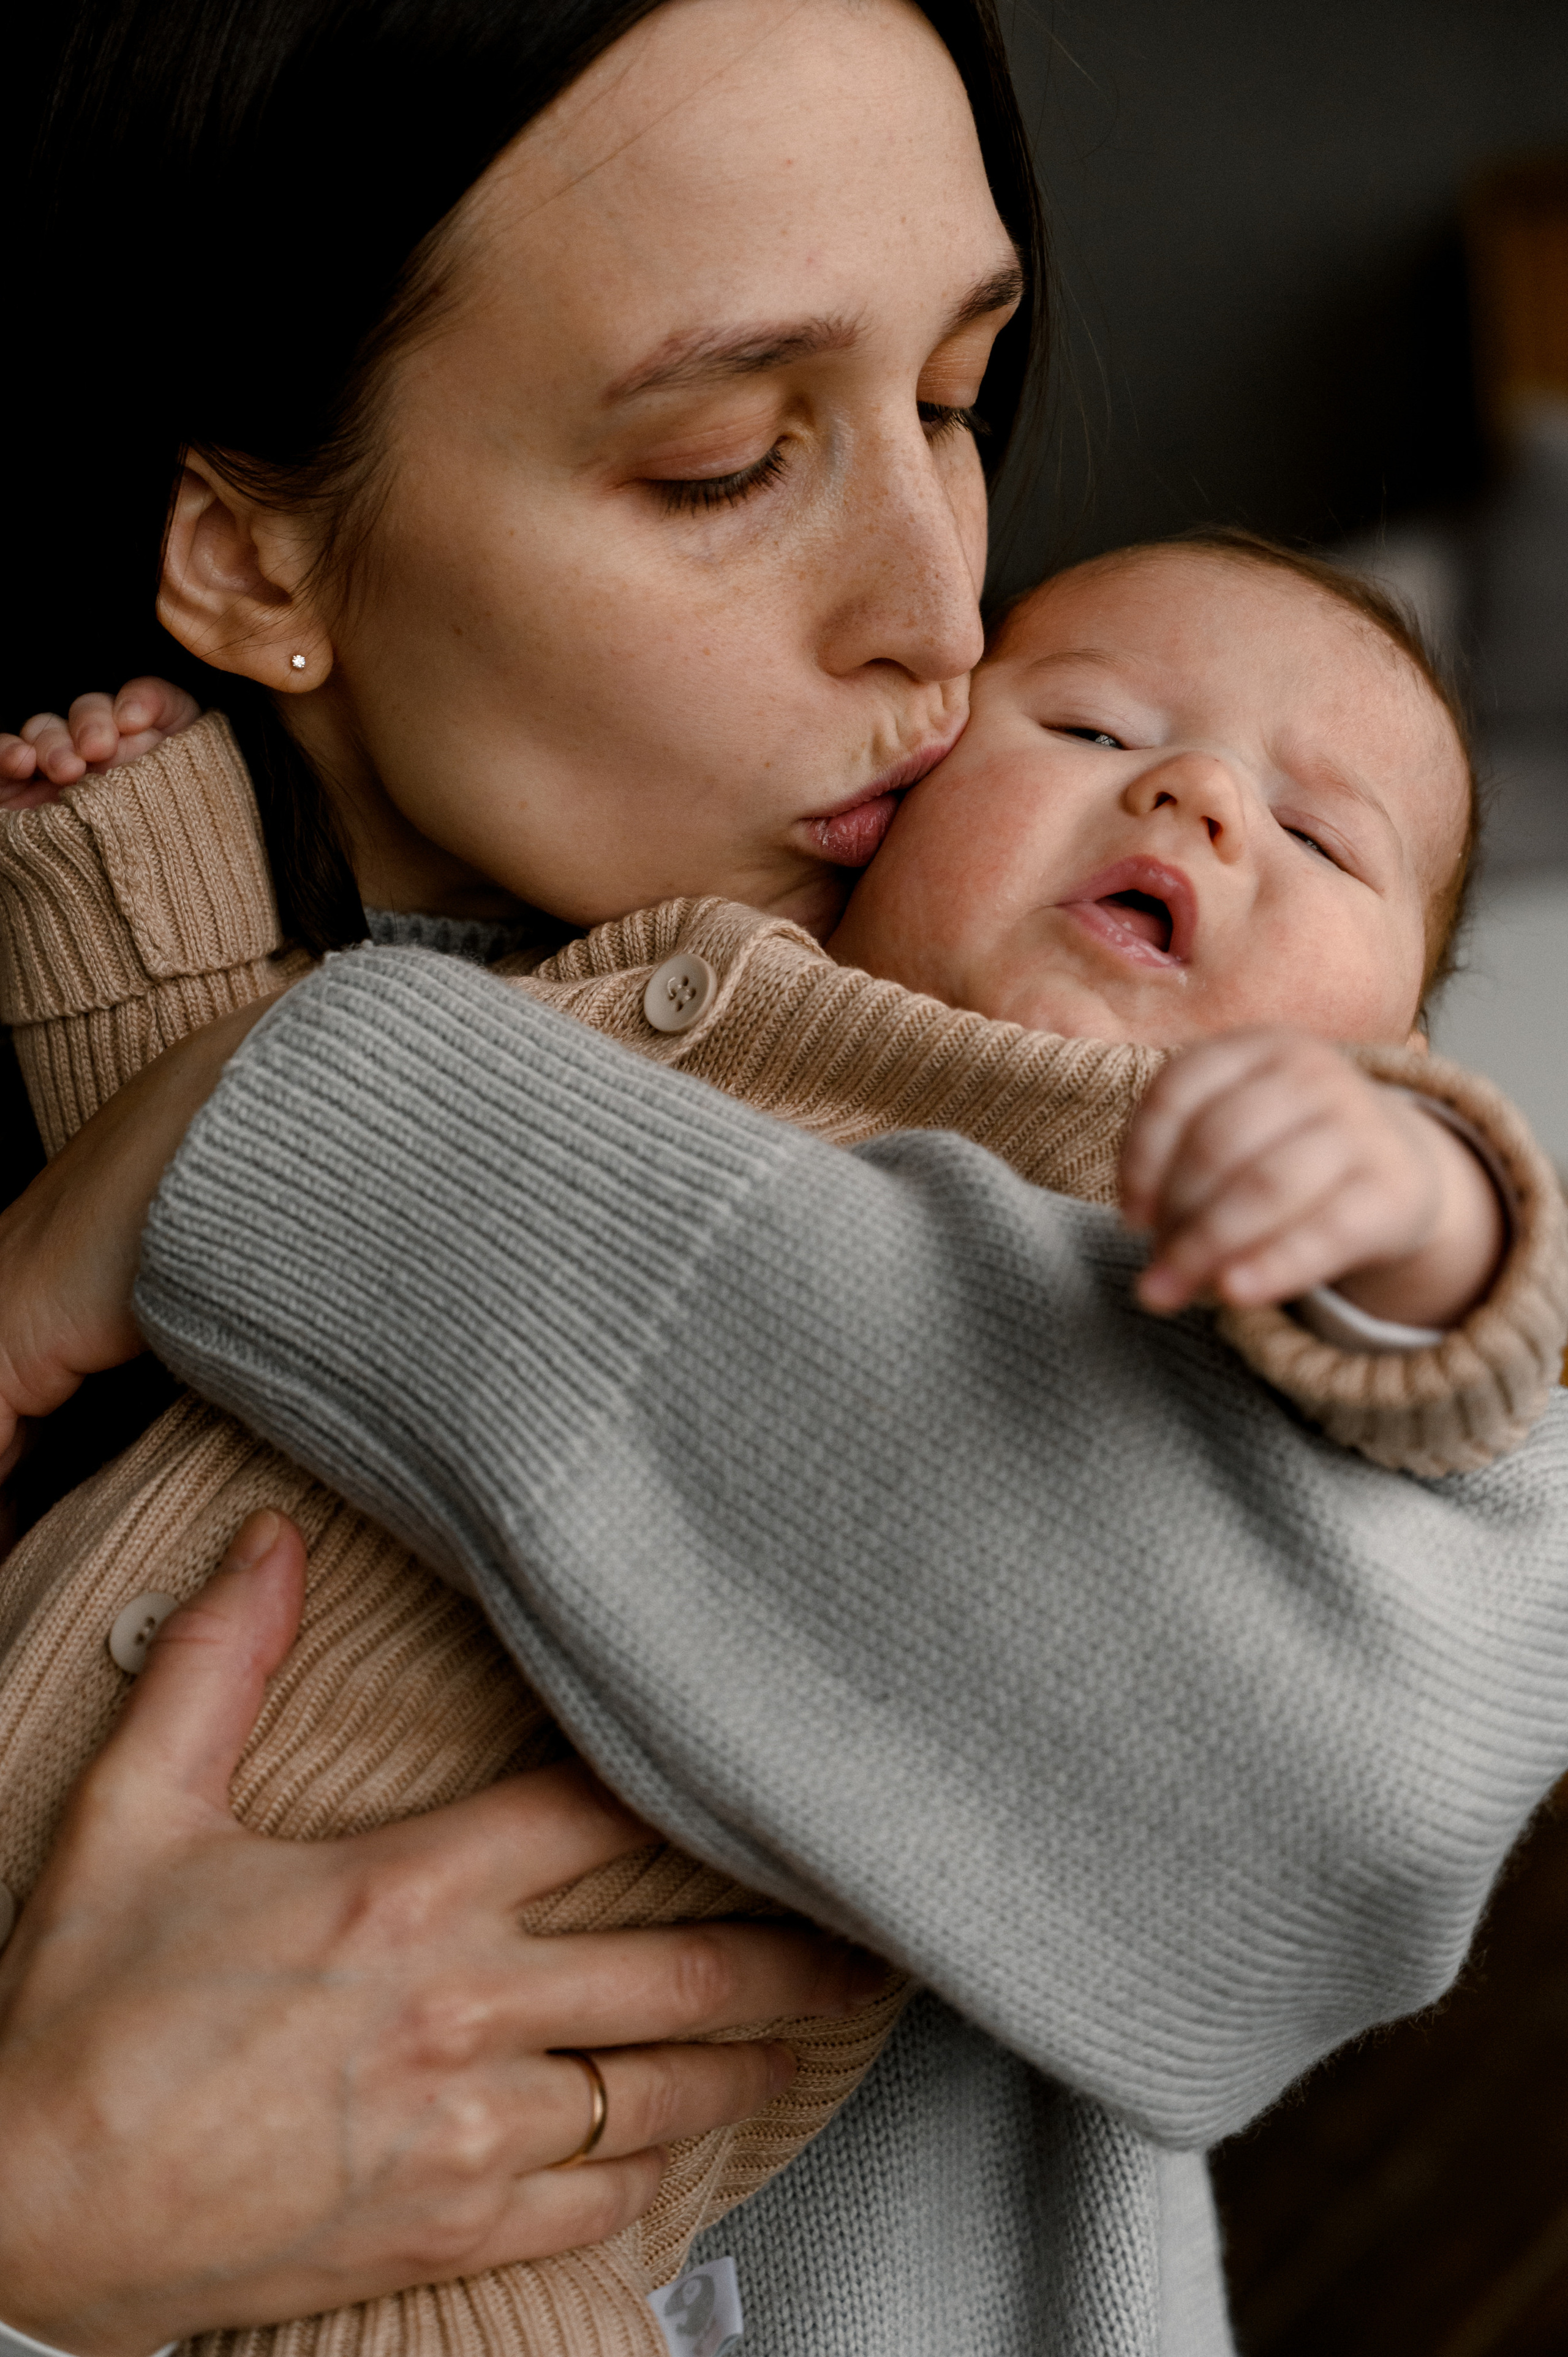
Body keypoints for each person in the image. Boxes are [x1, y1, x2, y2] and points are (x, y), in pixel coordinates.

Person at [4, 3, 1568, 2353]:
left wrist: (288, 1119)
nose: (951, 616)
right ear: (245, 550)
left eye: (956, 395)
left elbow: (1343, 1812)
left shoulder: (1033, 1086)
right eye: (730, 459)